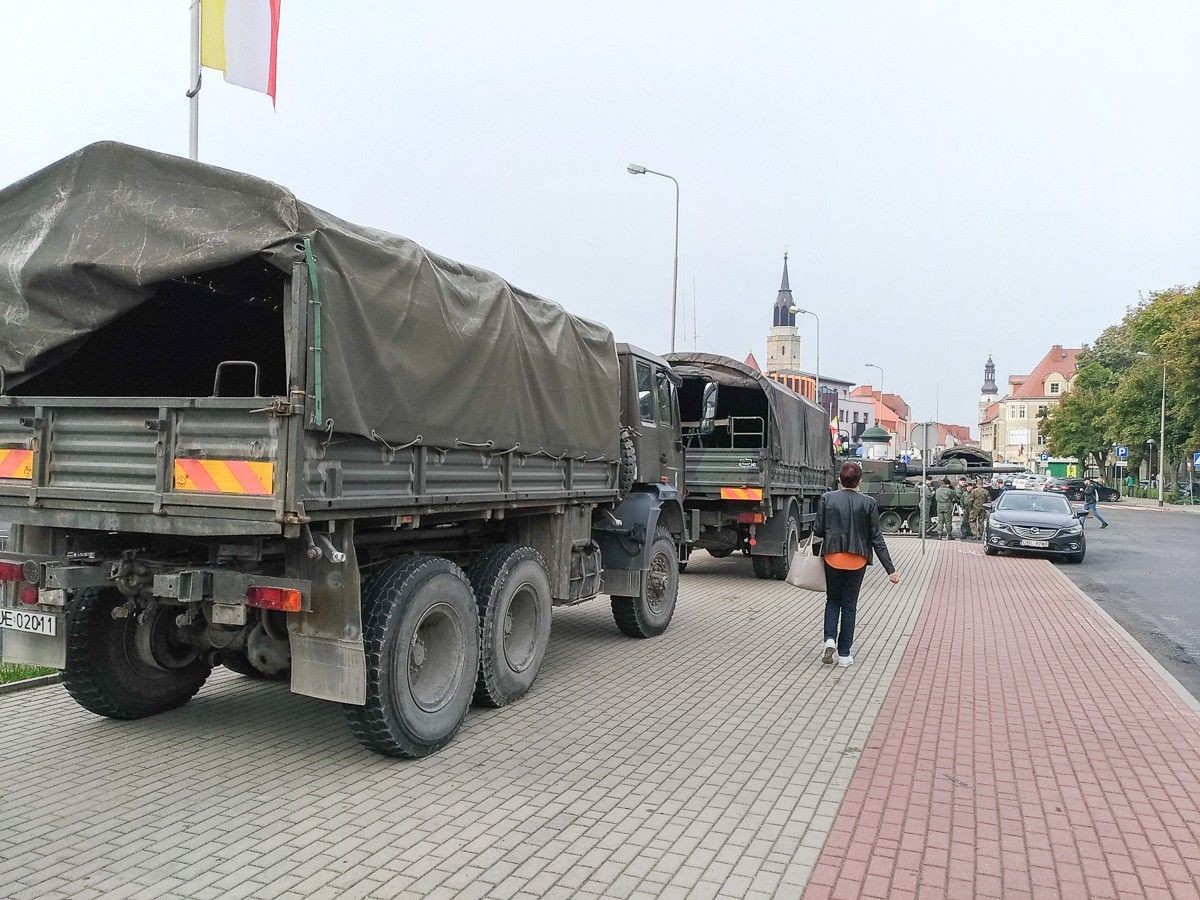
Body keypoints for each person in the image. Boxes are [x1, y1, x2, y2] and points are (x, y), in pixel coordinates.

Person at [813, 461, 900, 667]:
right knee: (850, 606)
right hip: (857, 560)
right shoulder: (868, 502)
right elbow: (876, 538)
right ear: (860, 480)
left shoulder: (827, 499)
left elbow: (817, 530)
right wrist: (891, 570)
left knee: (832, 601)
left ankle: (830, 639)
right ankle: (844, 655)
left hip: (832, 557)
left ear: (839, 479)